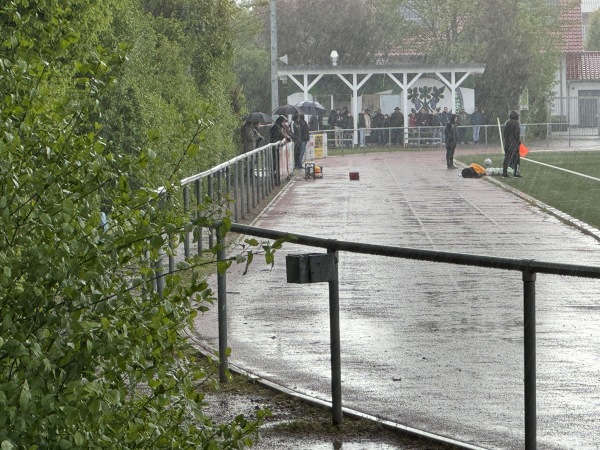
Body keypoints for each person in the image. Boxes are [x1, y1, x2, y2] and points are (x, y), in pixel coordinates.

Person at [502, 110, 522, 178]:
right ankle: (516, 172)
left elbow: (505, 134)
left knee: (507, 158)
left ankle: (505, 173)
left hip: (507, 144)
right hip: (514, 144)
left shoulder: (507, 122)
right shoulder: (516, 123)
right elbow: (517, 134)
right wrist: (518, 142)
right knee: (517, 159)